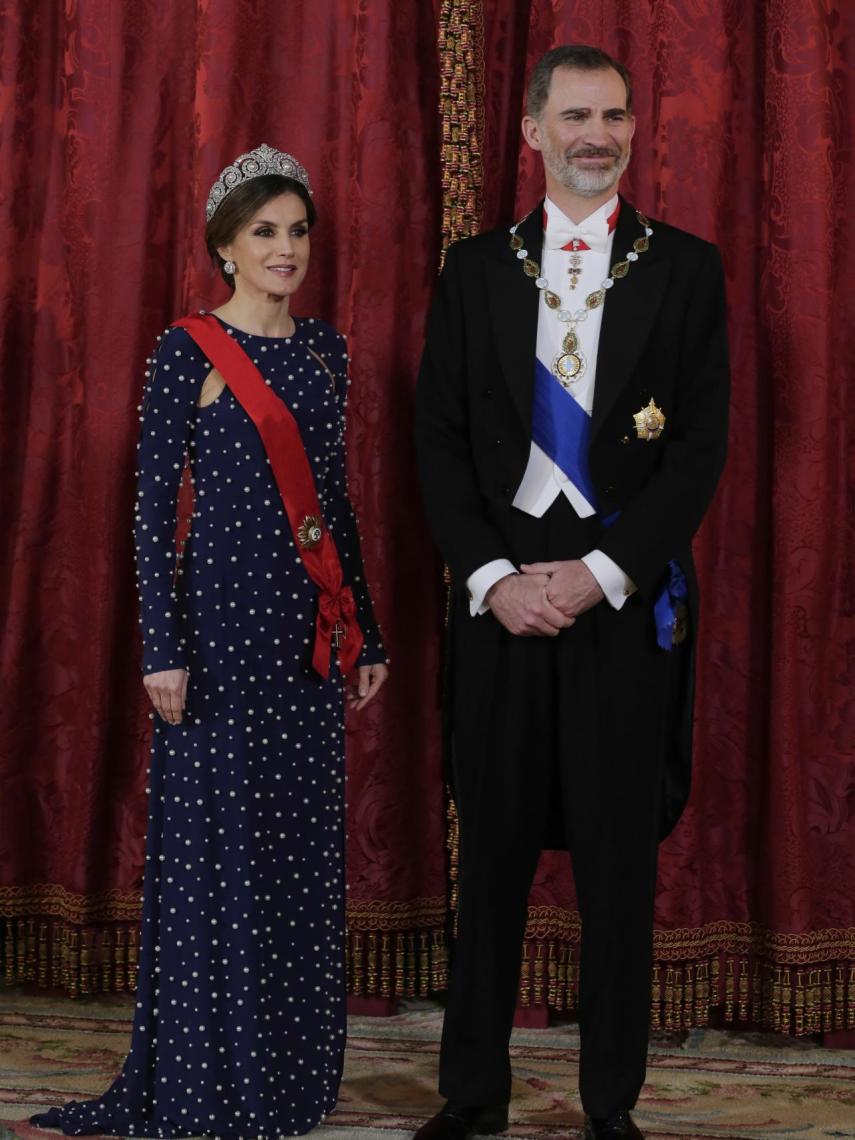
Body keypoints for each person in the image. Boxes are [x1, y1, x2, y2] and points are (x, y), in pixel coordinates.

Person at [33, 144, 388, 1138]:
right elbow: (152, 512)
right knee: (218, 858)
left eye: (298, 230)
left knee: (297, 863)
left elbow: (337, 509)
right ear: (225, 245)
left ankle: (286, 1082)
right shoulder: (186, 351)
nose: (285, 249)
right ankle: (204, 1081)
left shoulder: (327, 349)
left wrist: (369, 631)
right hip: (219, 639)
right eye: (264, 232)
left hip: (309, 641)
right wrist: (161, 649)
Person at [414, 46, 728, 1140]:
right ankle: (473, 1095)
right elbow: (440, 445)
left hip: (620, 609)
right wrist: (494, 580)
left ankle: (609, 1107)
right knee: (491, 862)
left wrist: (598, 576)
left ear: (634, 129)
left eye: (616, 115)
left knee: (614, 871)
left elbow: (698, 452)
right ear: (533, 132)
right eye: (577, 115)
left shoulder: (687, 269)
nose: (599, 134)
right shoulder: (474, 270)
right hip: (502, 611)